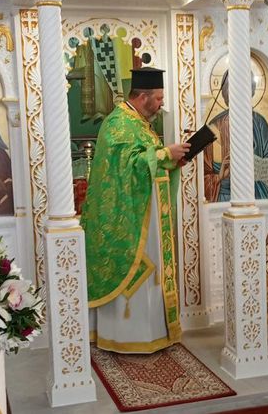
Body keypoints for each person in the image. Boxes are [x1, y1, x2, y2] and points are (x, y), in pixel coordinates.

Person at [81, 67, 190, 354]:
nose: (161, 103)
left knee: (153, 271)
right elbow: (126, 167)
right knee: (138, 269)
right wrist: (164, 154)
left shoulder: (139, 123)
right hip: (130, 220)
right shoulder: (118, 123)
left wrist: (171, 160)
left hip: (149, 215)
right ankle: (129, 335)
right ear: (143, 97)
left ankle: (153, 332)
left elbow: (146, 161)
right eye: (158, 98)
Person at [204, 70, 268, 202]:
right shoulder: (213, 128)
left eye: (245, 90)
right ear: (226, 93)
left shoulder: (260, 123)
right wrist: (219, 177)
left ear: (251, 91)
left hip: (256, 196)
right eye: (234, 90)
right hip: (224, 201)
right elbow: (202, 176)